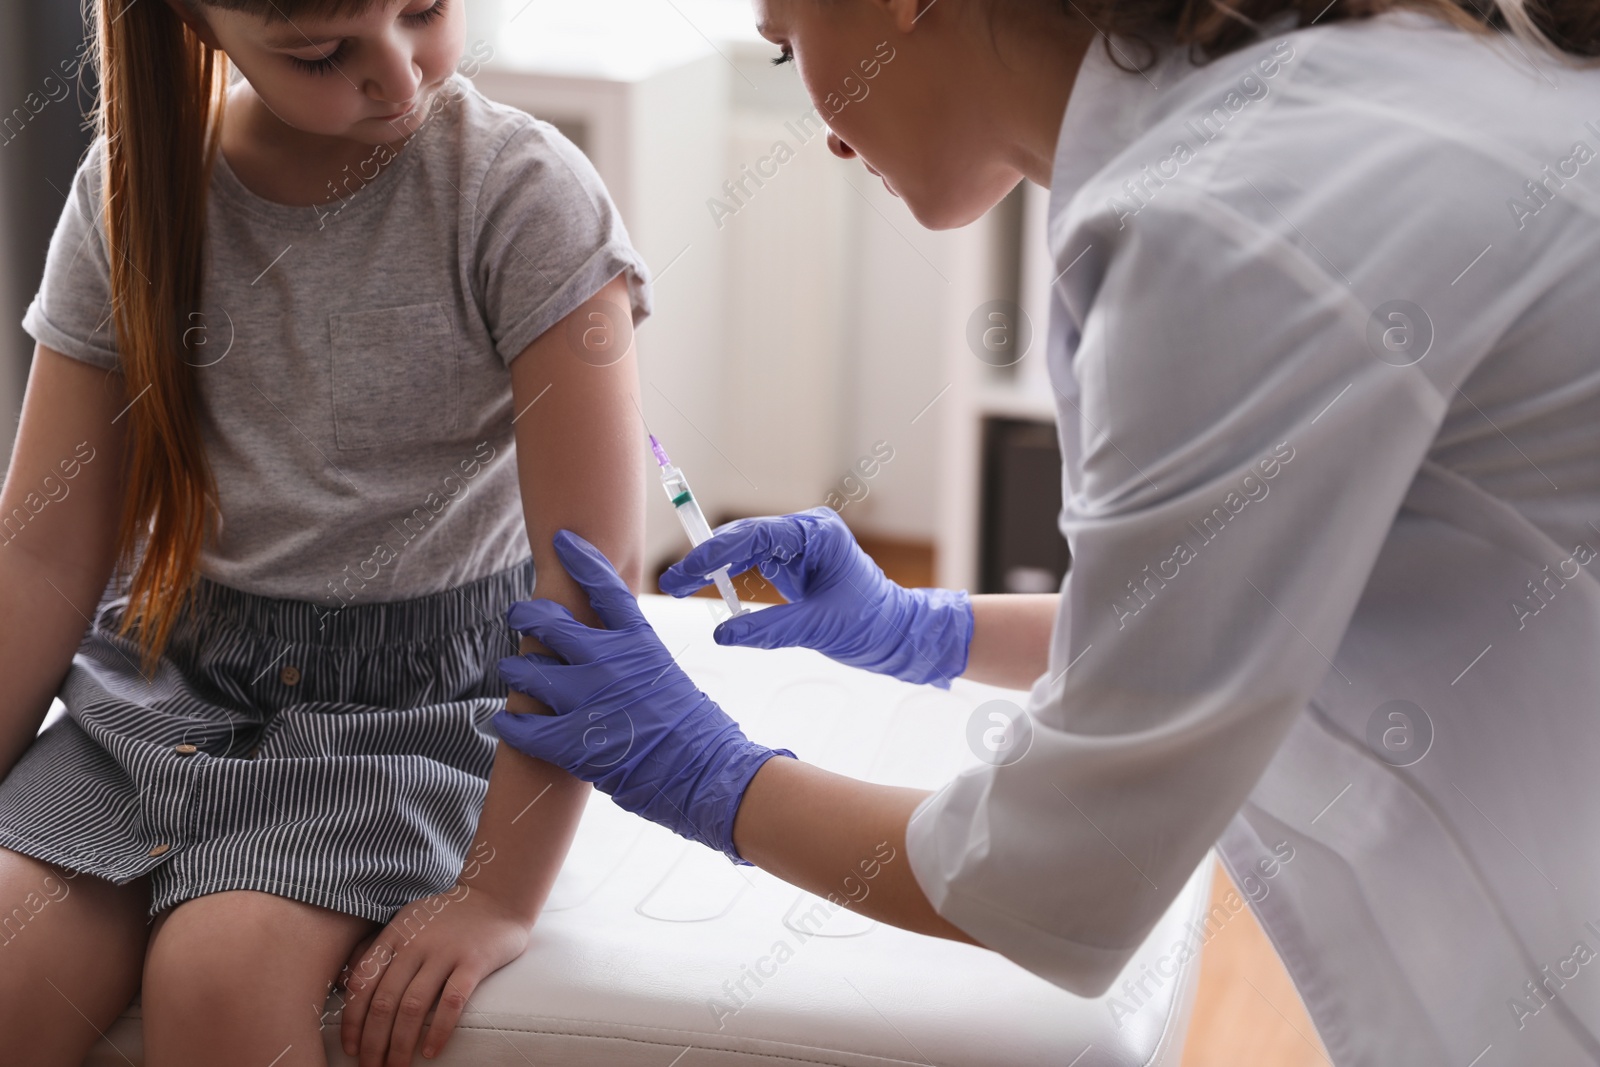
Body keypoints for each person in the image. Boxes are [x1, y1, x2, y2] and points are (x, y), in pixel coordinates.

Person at [492, 0, 1600, 1063]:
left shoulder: (1233, 223)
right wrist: (923, 628)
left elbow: (1061, 872)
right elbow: (1243, 607)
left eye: (788, 51)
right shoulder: (1309, 120)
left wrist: (705, 772)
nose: (823, 130)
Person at [0, 0, 651, 1064]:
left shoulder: (524, 194)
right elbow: (37, 552)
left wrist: (497, 891)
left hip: (411, 718)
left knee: (220, 977)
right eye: (322, 53)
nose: (400, 77)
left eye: (424, 11)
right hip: (166, 688)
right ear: (198, 24)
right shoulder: (127, 196)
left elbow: (594, 580)